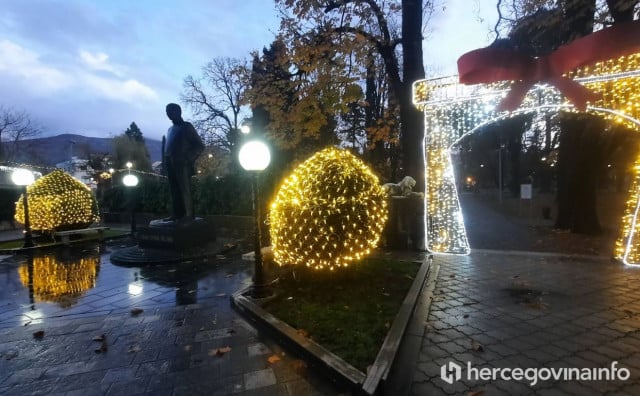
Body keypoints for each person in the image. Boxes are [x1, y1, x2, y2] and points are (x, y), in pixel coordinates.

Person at [163, 103, 204, 222]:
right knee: (174, 190)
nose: (168, 114)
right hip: (170, 163)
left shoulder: (187, 127)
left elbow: (199, 146)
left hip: (182, 163)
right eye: (167, 112)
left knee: (184, 189)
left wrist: (187, 158)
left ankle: (188, 214)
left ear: (178, 112)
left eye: (171, 111)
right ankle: (176, 214)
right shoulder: (170, 129)